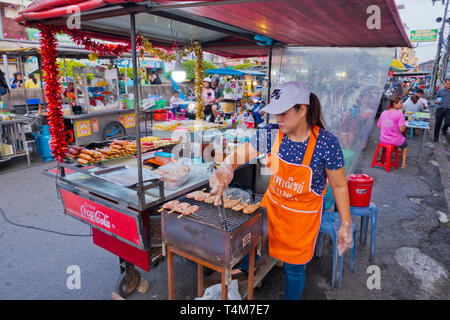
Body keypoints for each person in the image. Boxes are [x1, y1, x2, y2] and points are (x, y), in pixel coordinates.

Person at [209, 81, 353, 300]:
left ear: (302, 110)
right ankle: (247, 270)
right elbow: (239, 155)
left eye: (283, 113)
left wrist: (345, 223)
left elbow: (340, 185)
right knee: (253, 244)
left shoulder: (326, 144)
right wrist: (226, 167)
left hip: (301, 220)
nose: (277, 119)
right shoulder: (270, 134)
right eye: (275, 113)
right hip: (273, 207)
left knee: (293, 270)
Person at [377, 95, 408, 169]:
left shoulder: (384, 113)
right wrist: (403, 125)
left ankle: (385, 157)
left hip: (383, 139)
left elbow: (379, 126)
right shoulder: (400, 114)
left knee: (398, 141)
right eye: (400, 103)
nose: (402, 104)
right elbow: (401, 130)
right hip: (394, 140)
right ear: (394, 104)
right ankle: (403, 164)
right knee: (405, 145)